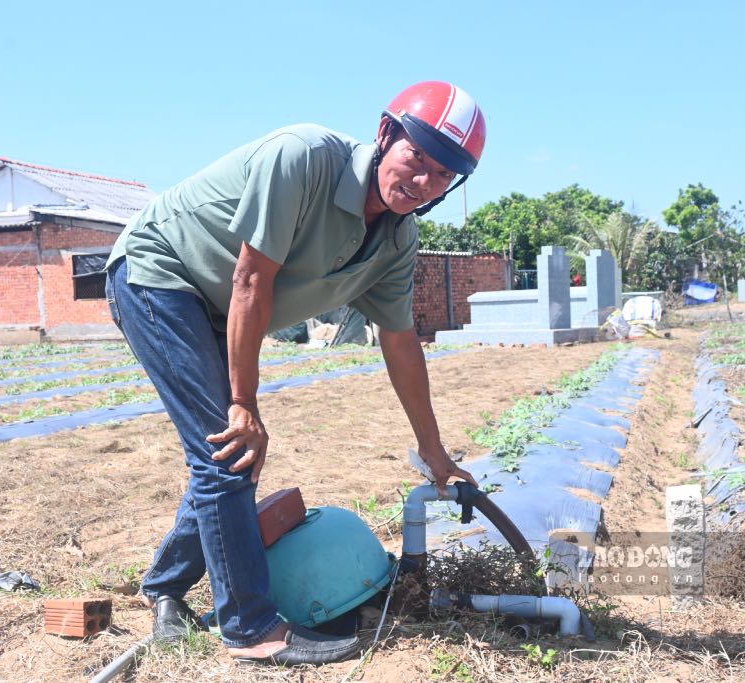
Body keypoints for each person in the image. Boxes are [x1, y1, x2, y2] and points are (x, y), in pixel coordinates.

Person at [104, 81, 485, 666]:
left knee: (230, 455)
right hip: (161, 272)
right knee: (231, 447)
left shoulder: (397, 242)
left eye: (442, 176)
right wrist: (244, 403)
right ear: (386, 135)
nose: (422, 182)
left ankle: (165, 587)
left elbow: (401, 342)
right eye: (416, 158)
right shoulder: (304, 158)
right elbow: (250, 279)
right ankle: (250, 630)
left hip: (218, 303)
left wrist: (434, 451)